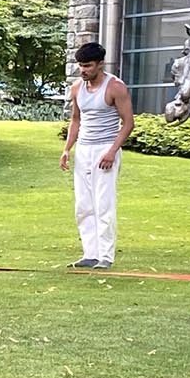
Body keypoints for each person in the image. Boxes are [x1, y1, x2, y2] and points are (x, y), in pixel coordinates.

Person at [59, 41, 135, 269]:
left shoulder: (115, 87)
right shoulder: (77, 88)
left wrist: (112, 151)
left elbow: (128, 123)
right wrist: (67, 149)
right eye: (80, 66)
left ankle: (105, 256)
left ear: (100, 64)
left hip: (105, 148)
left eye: (88, 66)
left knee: (104, 203)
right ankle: (90, 253)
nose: (83, 70)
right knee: (83, 205)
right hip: (84, 149)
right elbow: (76, 120)